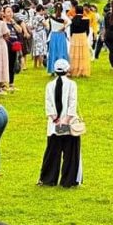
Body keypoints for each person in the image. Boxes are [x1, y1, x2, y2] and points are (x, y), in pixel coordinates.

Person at [37, 59, 82, 188]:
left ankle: (48, 179)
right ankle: (69, 180)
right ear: (67, 70)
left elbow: (48, 104)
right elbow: (72, 103)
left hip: (54, 124)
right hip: (69, 123)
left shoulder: (49, 85)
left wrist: (55, 119)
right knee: (71, 153)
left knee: (52, 152)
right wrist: (66, 120)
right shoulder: (72, 84)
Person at [69, 8, 91, 77]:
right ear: (82, 11)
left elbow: (71, 31)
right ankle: (82, 70)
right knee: (83, 54)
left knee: (75, 54)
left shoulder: (72, 19)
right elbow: (87, 30)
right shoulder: (86, 19)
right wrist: (86, 36)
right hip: (82, 36)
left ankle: (74, 69)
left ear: (75, 11)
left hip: (75, 36)